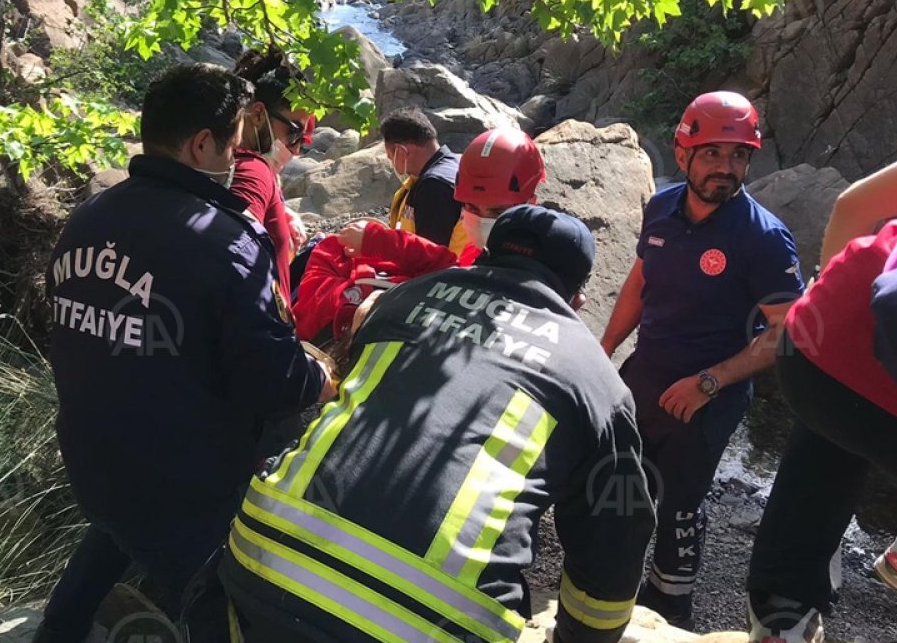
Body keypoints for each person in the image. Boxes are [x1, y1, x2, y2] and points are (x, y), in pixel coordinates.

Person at [220, 205, 657, 643]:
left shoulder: (399, 300)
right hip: (427, 623)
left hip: (260, 561)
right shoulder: (595, 379)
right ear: (577, 299)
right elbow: (615, 540)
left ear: (484, 254)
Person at [34, 63, 333, 643]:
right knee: (213, 594)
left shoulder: (89, 215)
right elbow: (267, 377)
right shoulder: (225, 241)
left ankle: (59, 628)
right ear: (201, 145)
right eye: (233, 145)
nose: (239, 160)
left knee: (117, 524)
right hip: (185, 485)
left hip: (92, 454)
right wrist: (314, 377)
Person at [599, 91, 805, 629]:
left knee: (681, 504)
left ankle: (670, 605)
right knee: (621, 482)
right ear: (683, 151)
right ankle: (610, 583)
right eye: (713, 153)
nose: (726, 168)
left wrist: (710, 382)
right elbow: (641, 282)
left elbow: (786, 333)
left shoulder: (764, 239)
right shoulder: (661, 208)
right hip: (648, 371)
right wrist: (602, 351)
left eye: (738, 155)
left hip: (708, 394)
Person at [744, 160, 897, 642]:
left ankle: (782, 615)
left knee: (837, 424)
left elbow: (853, 204)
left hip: (814, 355)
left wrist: (825, 316)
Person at [292, 128, 546, 346]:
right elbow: (449, 266)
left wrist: (380, 244)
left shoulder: (542, 267)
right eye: (470, 208)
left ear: (530, 203)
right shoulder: (484, 248)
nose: (481, 220)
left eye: (497, 211)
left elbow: (449, 271)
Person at [231, 48, 316, 305]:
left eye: (304, 139)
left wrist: (279, 213)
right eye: (293, 133)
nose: (297, 148)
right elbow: (230, 254)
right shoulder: (251, 171)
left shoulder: (253, 167)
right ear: (257, 114)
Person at [382, 106, 468, 255]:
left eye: (391, 157)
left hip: (448, 276)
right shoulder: (456, 167)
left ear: (401, 151)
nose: (393, 164)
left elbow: (428, 258)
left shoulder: (433, 187)